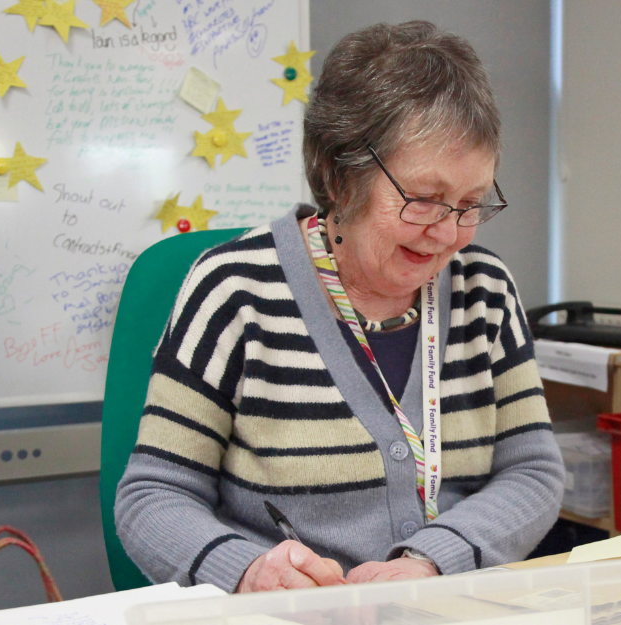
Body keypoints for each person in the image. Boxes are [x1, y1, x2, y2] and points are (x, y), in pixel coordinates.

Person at [114, 21, 565, 593]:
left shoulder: (486, 291)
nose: (449, 233)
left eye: (471, 203)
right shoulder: (234, 290)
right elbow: (152, 495)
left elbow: (534, 470)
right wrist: (248, 572)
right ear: (338, 174)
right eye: (424, 200)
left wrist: (433, 558)